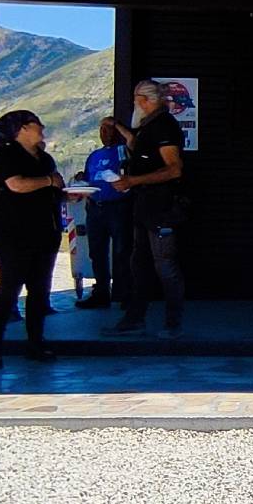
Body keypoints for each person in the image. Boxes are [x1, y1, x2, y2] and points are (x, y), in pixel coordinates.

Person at [0, 110, 64, 369]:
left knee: (39, 291)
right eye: (37, 124)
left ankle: (36, 343)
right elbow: (16, 184)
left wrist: (62, 192)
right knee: (9, 288)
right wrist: (49, 181)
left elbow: (51, 190)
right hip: (12, 234)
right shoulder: (7, 156)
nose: (42, 129)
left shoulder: (45, 159)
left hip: (44, 233)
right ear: (22, 129)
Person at [105, 81, 188, 339]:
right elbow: (137, 144)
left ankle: (173, 322)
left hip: (161, 206)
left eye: (135, 99)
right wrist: (117, 126)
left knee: (164, 264)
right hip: (144, 205)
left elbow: (174, 168)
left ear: (144, 99)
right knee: (139, 261)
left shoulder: (164, 126)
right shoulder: (148, 126)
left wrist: (133, 181)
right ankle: (135, 316)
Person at [77, 117, 132, 310]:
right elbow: (89, 177)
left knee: (121, 251)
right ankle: (101, 292)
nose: (105, 134)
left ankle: (125, 293)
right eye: (101, 131)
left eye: (108, 130)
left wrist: (117, 124)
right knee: (97, 252)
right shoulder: (94, 155)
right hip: (95, 206)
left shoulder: (123, 151)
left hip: (117, 206)